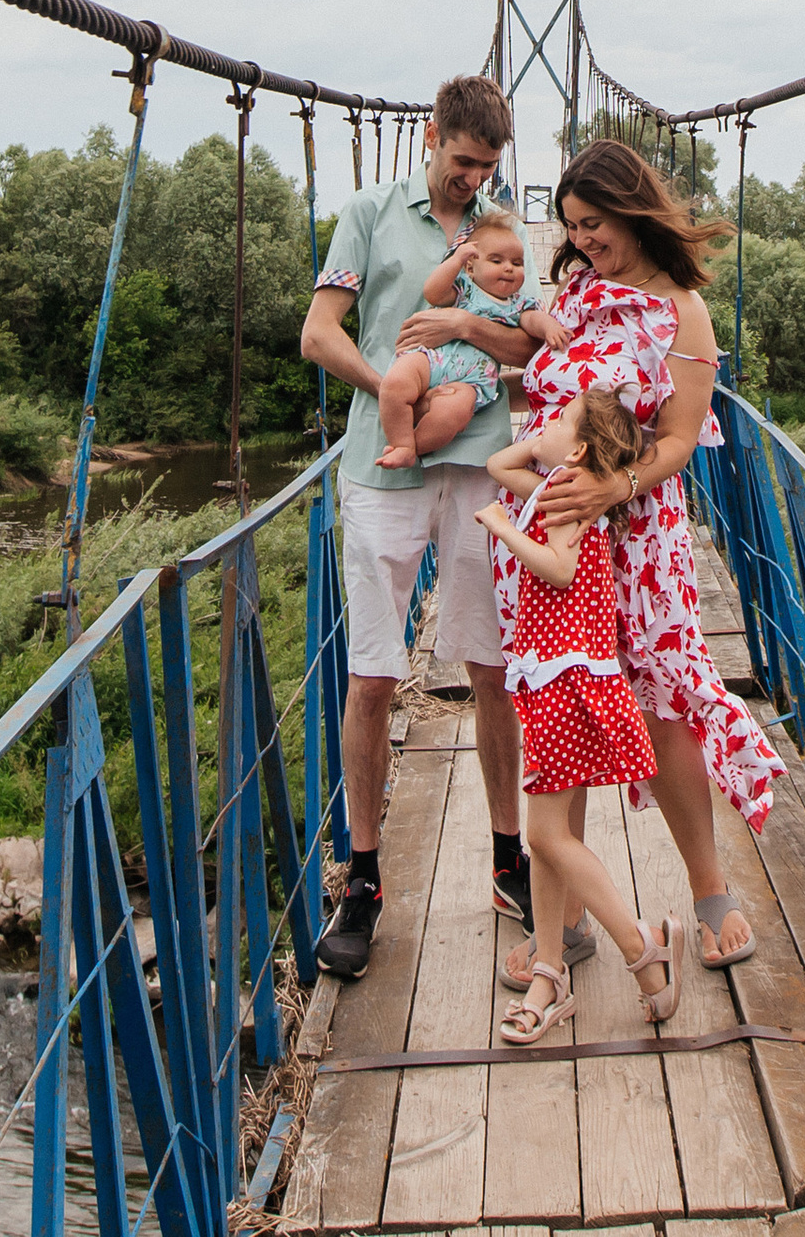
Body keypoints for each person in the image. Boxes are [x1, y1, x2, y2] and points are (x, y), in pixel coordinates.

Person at [499, 139, 785, 992]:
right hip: (555, 530)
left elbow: (681, 439)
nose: (583, 242)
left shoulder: (683, 312)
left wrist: (609, 489)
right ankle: (571, 923)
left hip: (638, 531)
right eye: (574, 228)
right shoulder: (581, 288)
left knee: (663, 697)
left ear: (632, 211)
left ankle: (708, 893)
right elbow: (550, 379)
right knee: (562, 701)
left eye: (595, 225)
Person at [298, 74, 535, 980]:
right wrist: (400, 391)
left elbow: (529, 346)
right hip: (383, 469)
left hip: (479, 467)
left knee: (493, 669)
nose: (472, 180)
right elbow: (320, 334)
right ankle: (362, 883)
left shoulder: (501, 228)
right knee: (371, 680)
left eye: (486, 168)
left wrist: (470, 322)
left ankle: (509, 860)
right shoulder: (364, 213)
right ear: (432, 138)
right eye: (462, 160)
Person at [475, 390, 681, 1044]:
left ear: (583, 448)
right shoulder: (559, 483)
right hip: (554, 678)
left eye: (555, 424)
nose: (541, 429)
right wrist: (540, 446)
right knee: (546, 836)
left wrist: (505, 530)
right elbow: (498, 466)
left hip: (567, 681)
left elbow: (561, 570)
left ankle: (641, 946)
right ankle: (551, 969)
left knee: (550, 838)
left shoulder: (569, 499)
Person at [373, 212, 537, 469]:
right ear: (471, 267)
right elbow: (433, 292)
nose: (509, 267)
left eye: (517, 263)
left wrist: (549, 328)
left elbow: (533, 328)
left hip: (470, 381)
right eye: (497, 260)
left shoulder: (520, 305)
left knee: (452, 414)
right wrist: (456, 260)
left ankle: (412, 448)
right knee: (395, 383)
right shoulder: (464, 290)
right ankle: (401, 443)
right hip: (433, 359)